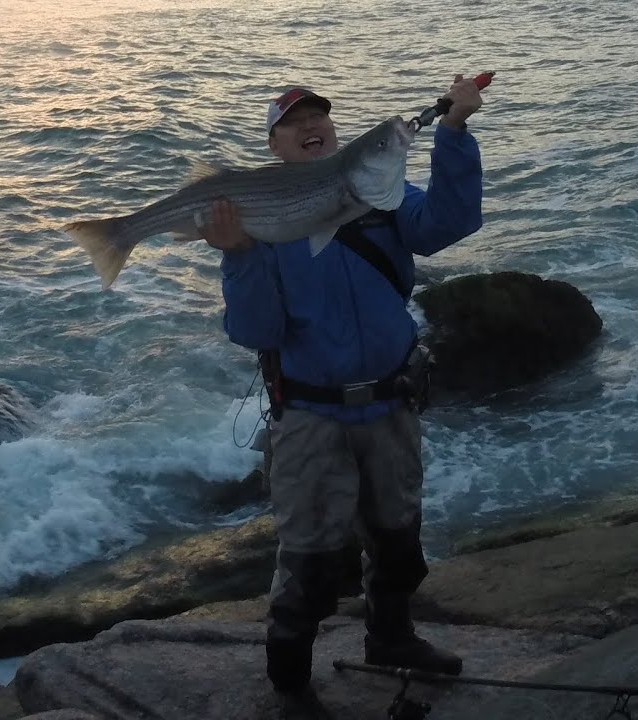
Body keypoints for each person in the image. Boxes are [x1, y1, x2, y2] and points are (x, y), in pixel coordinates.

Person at [200, 76, 484, 718]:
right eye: (293, 121)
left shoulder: (382, 199)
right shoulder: (264, 223)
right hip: (310, 417)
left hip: (390, 405)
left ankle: (391, 638)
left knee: (398, 539)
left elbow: (451, 220)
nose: (312, 124)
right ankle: (291, 683)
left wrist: (456, 133)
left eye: (320, 115)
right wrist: (240, 254)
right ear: (275, 147)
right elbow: (255, 332)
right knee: (310, 558)